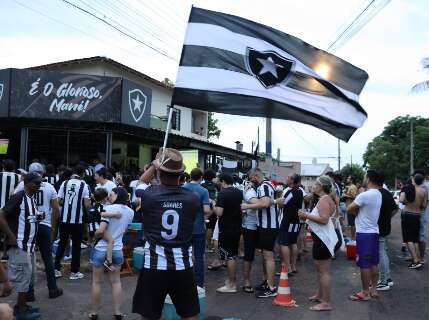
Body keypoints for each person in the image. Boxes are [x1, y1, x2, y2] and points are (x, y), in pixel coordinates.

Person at [132, 148, 200, 320]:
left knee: (149, 314)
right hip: (182, 264)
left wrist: (154, 166)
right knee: (190, 313)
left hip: (154, 265)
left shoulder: (150, 195)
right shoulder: (192, 198)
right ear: (182, 173)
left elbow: (140, 183)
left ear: (160, 172)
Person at [14, 162, 63, 299]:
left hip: (29, 225)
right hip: (44, 225)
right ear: (43, 173)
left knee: (28, 258)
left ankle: (29, 292)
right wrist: (53, 227)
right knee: (47, 257)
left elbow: (13, 198)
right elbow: (56, 209)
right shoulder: (49, 187)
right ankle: (52, 289)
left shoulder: (23, 185)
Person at [0, 173, 43, 320]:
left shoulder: (32, 199)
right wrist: (11, 236)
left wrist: (38, 217)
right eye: (36, 183)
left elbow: (28, 217)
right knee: (23, 279)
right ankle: (21, 312)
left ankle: (22, 306)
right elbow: (1, 215)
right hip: (20, 246)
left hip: (29, 245)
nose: (39, 186)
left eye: (40, 183)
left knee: (28, 278)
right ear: (28, 183)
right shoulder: (19, 197)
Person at [89, 187, 134, 320]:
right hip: (117, 248)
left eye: (112, 194)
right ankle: (118, 312)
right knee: (116, 282)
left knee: (96, 282)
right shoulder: (130, 212)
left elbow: (101, 230)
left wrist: (95, 235)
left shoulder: (108, 209)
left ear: (117, 195)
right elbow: (124, 230)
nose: (109, 196)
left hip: (101, 248)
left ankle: (94, 313)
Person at [298, 176, 337, 311]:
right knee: (320, 270)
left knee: (324, 272)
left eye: (315, 184)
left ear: (321, 186)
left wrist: (305, 215)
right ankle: (320, 295)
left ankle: (326, 302)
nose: (313, 185)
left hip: (323, 240)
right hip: (321, 239)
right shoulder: (325, 199)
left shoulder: (324, 200)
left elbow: (324, 220)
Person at [241, 168, 278, 298]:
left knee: (268, 256)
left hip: (268, 226)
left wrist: (247, 206)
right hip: (265, 225)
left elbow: (265, 203)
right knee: (266, 255)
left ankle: (271, 287)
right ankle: (267, 283)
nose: (252, 181)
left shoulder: (264, 185)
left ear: (256, 176)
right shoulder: (265, 185)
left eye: (252, 179)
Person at [347, 170, 383, 301]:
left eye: (364, 177)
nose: (363, 179)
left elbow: (350, 208)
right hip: (374, 232)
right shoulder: (378, 193)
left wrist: (357, 214)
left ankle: (365, 292)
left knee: (364, 264)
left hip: (364, 233)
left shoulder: (365, 195)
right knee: (373, 262)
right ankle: (373, 289)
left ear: (369, 179)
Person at [54, 165, 91, 280]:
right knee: (76, 245)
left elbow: (58, 201)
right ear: (83, 174)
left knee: (62, 243)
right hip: (78, 220)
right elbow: (86, 204)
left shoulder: (64, 183)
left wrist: (67, 205)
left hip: (64, 219)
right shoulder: (84, 185)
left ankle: (56, 269)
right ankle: (74, 272)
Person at [214, 173, 243, 293]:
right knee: (233, 255)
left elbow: (219, 212)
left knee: (229, 256)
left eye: (219, 181)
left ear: (223, 181)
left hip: (226, 228)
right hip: (237, 227)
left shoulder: (222, 193)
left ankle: (231, 284)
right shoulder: (238, 192)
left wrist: (213, 206)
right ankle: (230, 281)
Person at [183, 168, 212, 288]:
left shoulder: (183, 188)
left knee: (184, 255)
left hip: (184, 227)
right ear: (201, 177)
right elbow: (206, 210)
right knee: (199, 256)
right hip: (199, 227)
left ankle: (184, 281)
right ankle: (199, 284)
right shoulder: (204, 191)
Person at [275, 173, 304, 275]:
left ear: (292, 180)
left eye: (288, 177)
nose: (286, 179)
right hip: (296, 221)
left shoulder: (290, 192)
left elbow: (281, 205)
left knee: (284, 243)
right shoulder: (300, 191)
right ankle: (293, 266)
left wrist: (278, 198)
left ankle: (287, 268)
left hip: (287, 220)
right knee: (293, 243)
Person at [87, 188, 119, 270]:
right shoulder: (101, 207)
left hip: (91, 229)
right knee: (111, 241)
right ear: (105, 198)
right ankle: (109, 261)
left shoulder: (93, 206)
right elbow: (103, 214)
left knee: (95, 243)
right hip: (97, 229)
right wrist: (115, 215)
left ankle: (92, 259)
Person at [376, 174, 398, 291]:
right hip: (384, 226)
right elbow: (396, 208)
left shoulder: (377, 193)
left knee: (381, 253)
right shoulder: (387, 193)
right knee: (383, 251)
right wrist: (388, 217)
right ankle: (387, 278)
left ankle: (384, 281)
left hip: (378, 227)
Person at [400, 174, 427, 269]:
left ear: (413, 179)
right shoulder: (424, 191)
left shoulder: (408, 188)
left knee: (408, 239)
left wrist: (407, 201)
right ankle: (417, 259)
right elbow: (423, 205)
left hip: (408, 214)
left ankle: (415, 260)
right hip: (417, 215)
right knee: (415, 239)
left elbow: (401, 200)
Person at [241, 179, 258, 293]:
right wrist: (274, 201)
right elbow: (257, 204)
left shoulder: (262, 189)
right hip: (250, 226)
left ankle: (265, 280)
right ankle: (246, 281)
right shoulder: (251, 191)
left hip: (263, 225)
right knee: (249, 254)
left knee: (266, 254)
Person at [413, 169, 429, 263]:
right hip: (418, 213)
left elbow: (425, 203)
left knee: (420, 236)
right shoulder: (421, 186)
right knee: (417, 236)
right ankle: (416, 256)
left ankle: (421, 258)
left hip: (421, 214)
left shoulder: (425, 187)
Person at [201, 169, 218, 252]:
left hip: (205, 208)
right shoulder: (216, 185)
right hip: (215, 208)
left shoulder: (202, 185)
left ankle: (206, 245)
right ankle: (211, 245)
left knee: (206, 227)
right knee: (212, 227)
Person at [344, 176, 358, 241]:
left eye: (348, 178)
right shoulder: (350, 187)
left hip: (352, 208)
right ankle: (353, 238)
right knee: (352, 224)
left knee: (353, 224)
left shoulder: (352, 187)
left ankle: (353, 239)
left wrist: (345, 195)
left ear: (351, 180)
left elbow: (354, 196)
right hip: (350, 207)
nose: (347, 179)